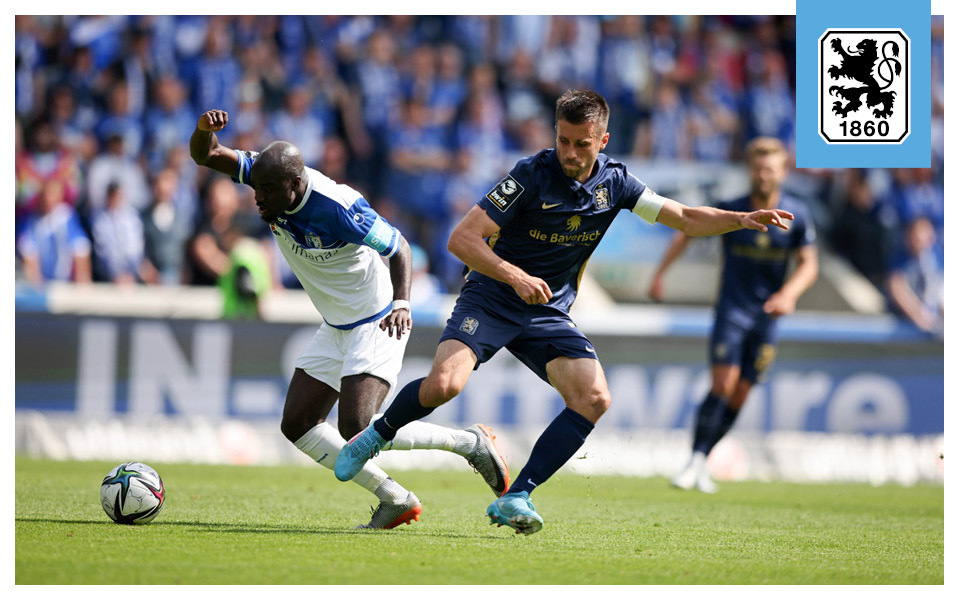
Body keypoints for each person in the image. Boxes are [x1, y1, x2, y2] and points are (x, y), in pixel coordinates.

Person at [335, 90, 795, 535]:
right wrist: (514, 275)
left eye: (581, 144)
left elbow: (685, 217)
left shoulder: (616, 182)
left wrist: (738, 219)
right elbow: (462, 239)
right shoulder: (530, 175)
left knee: (594, 398)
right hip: (492, 296)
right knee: (444, 385)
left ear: (603, 141)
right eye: (563, 140)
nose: (570, 153)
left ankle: (518, 495)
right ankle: (376, 436)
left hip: (546, 310)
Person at [189, 109, 509, 529]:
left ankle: (468, 443)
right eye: (257, 188)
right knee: (298, 424)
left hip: (377, 318)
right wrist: (202, 132)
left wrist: (402, 303)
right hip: (337, 324)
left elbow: (400, 248)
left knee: (357, 427)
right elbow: (207, 155)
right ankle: (394, 497)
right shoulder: (265, 176)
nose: (258, 198)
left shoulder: (337, 207)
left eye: (267, 191)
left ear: (295, 183)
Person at [648, 136, 818, 493]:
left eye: (770, 168)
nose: (762, 175)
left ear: (783, 172)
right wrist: (661, 274)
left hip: (767, 318)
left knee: (740, 394)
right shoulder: (733, 210)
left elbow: (809, 265)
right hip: (732, 311)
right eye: (757, 168)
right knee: (723, 385)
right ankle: (694, 459)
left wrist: (788, 294)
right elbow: (686, 234)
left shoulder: (797, 216)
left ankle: (703, 459)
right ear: (749, 171)